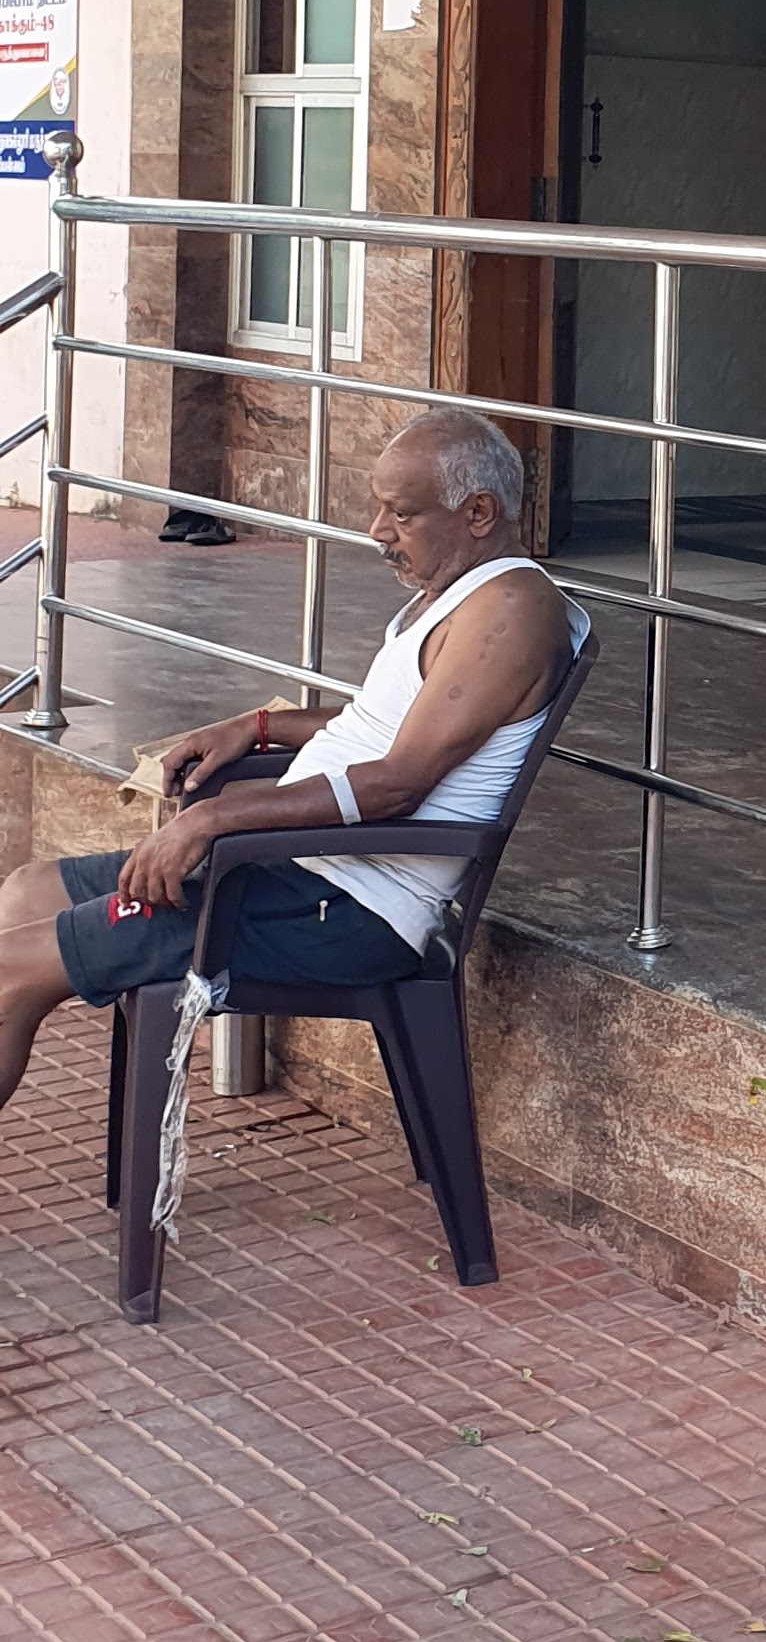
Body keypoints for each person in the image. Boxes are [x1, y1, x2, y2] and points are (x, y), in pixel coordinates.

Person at [0, 406, 584, 1116]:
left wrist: (211, 819)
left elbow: (397, 783)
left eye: (401, 514)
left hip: (346, 908)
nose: (378, 530)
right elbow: (383, 728)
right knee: (26, 892)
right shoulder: (462, 596)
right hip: (295, 875)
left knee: (7, 975)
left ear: (479, 512)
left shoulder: (510, 611)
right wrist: (259, 726)